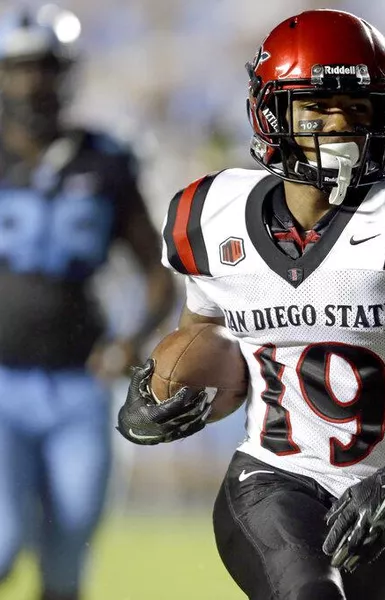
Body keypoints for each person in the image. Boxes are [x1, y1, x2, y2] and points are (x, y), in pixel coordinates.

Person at [116, 9, 385, 600]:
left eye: (358, 108)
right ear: (274, 113)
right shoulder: (211, 214)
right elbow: (208, 350)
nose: (341, 126)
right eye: (317, 108)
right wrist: (157, 396)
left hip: (377, 502)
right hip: (270, 478)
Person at [0, 7, 175, 600]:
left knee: (68, 556)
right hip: (0, 381)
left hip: (81, 381)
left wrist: (133, 336)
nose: (33, 84)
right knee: (1, 539)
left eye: (46, 69)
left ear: (67, 74)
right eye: (21, 69)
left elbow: (157, 271)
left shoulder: (106, 159)